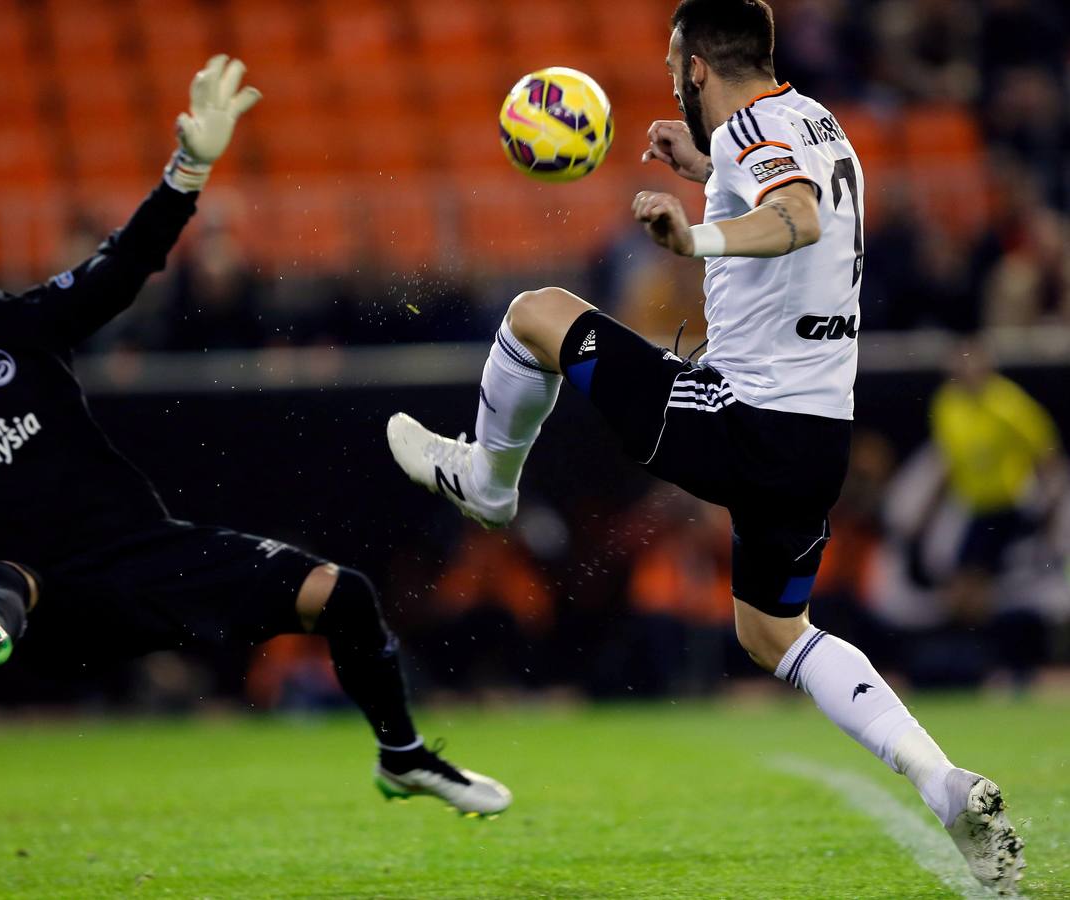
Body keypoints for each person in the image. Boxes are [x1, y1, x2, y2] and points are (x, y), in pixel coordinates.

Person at [386, 0, 1022, 887]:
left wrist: (696, 233)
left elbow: (794, 215)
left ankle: (487, 484)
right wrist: (708, 170)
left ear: (693, 69)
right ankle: (942, 781)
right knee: (772, 632)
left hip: (742, 420)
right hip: (815, 438)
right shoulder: (813, 120)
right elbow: (793, 194)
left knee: (536, 315)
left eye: (668, 66)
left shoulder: (760, 130)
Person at [0, 55, 509, 818]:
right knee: (12, 570)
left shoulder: (13, 333)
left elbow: (119, 268)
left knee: (342, 594)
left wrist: (189, 165)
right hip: (55, 614)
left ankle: (403, 756)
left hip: (148, 556)